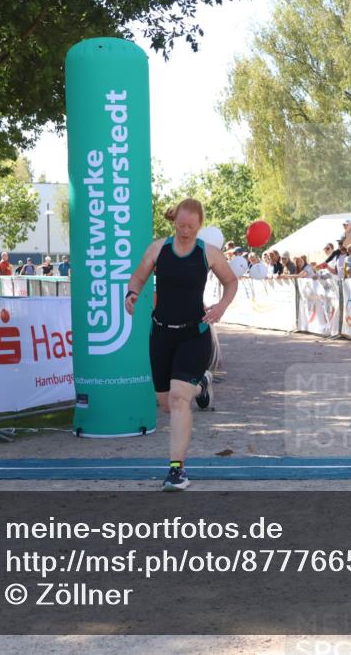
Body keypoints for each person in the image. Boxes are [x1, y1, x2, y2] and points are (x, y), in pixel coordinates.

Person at [125, 198, 238, 491]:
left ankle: (177, 470)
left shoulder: (208, 253)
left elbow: (231, 282)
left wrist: (222, 307)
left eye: (191, 226)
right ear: (174, 221)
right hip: (161, 334)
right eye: (180, 225)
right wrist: (132, 294)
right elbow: (138, 276)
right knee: (166, 404)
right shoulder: (158, 249)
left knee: (178, 400)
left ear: (199, 224)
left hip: (194, 333)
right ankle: (201, 384)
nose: (185, 230)